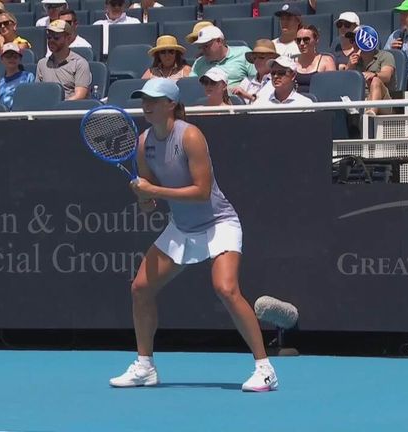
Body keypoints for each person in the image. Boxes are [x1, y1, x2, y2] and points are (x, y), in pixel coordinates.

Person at [107, 78, 279, 392]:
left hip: (218, 223)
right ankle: (145, 366)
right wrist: (143, 198)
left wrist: (154, 190)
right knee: (140, 289)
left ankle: (265, 369)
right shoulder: (144, 143)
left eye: (154, 100)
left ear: (171, 104)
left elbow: (201, 192)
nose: (146, 105)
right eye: (144, 99)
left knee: (226, 289)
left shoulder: (190, 136)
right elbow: (149, 204)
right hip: (182, 227)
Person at [36, 20, 92, 100]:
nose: (51, 41)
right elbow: (38, 92)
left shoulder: (79, 64)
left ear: (68, 38)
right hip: (46, 106)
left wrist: (59, 105)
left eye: (56, 38)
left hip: (69, 106)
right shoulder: (42, 64)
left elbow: (80, 96)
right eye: (49, 37)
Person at [189, 26, 256, 89]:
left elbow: (257, 82)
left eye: (206, 46)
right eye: (201, 47)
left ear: (219, 41)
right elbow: (191, 87)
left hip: (237, 96)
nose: (203, 50)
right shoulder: (199, 63)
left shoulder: (243, 54)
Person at [0, 12, 31, 76]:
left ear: (14, 26)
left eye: (6, 23)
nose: (2, 26)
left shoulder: (22, 43)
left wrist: (1, 44)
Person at [233, 39, 278, 103]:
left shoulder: (278, 81)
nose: (256, 61)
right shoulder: (247, 81)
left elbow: (270, 104)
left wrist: (249, 97)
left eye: (261, 57)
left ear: (272, 59)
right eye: (254, 58)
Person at [294, 25, 336, 93]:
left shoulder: (326, 61)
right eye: (298, 40)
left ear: (316, 40)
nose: (301, 43)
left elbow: (332, 88)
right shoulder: (292, 62)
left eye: (306, 40)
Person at [0, 43, 35, 110]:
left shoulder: (28, 77)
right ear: (2, 59)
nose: (12, 59)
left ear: (20, 59)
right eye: (8, 56)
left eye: (15, 56)